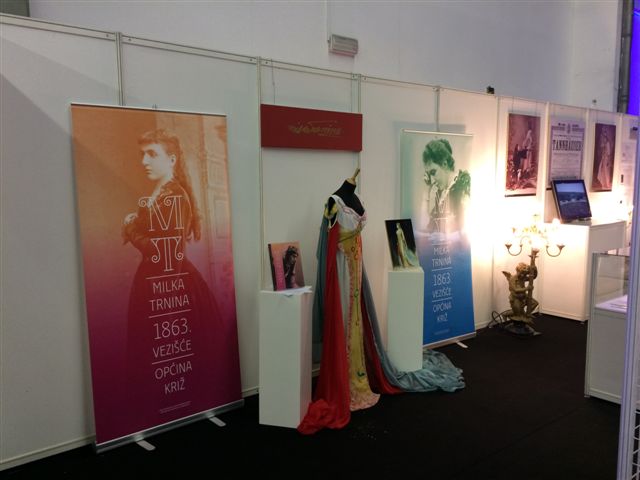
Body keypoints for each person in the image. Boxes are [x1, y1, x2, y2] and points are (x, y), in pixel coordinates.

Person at [299, 169, 465, 435]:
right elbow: (328, 245)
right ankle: (344, 383)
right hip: (341, 271)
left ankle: (358, 376)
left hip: (355, 268)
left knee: (356, 322)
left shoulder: (356, 198)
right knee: (345, 321)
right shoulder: (333, 202)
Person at [121, 128, 222, 424]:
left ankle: (178, 409)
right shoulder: (162, 192)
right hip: (155, 281)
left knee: (175, 354)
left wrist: (131, 229)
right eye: (142, 154)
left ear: (172, 159)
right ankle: (162, 412)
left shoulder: (173, 195)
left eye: (152, 154)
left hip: (170, 283)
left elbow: (168, 253)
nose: (144, 161)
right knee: (156, 357)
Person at [422, 138, 471, 233]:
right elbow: (429, 228)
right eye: (429, 175)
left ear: (444, 164)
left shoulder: (464, 186)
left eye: (433, 172)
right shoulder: (440, 193)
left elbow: (465, 229)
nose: (432, 180)